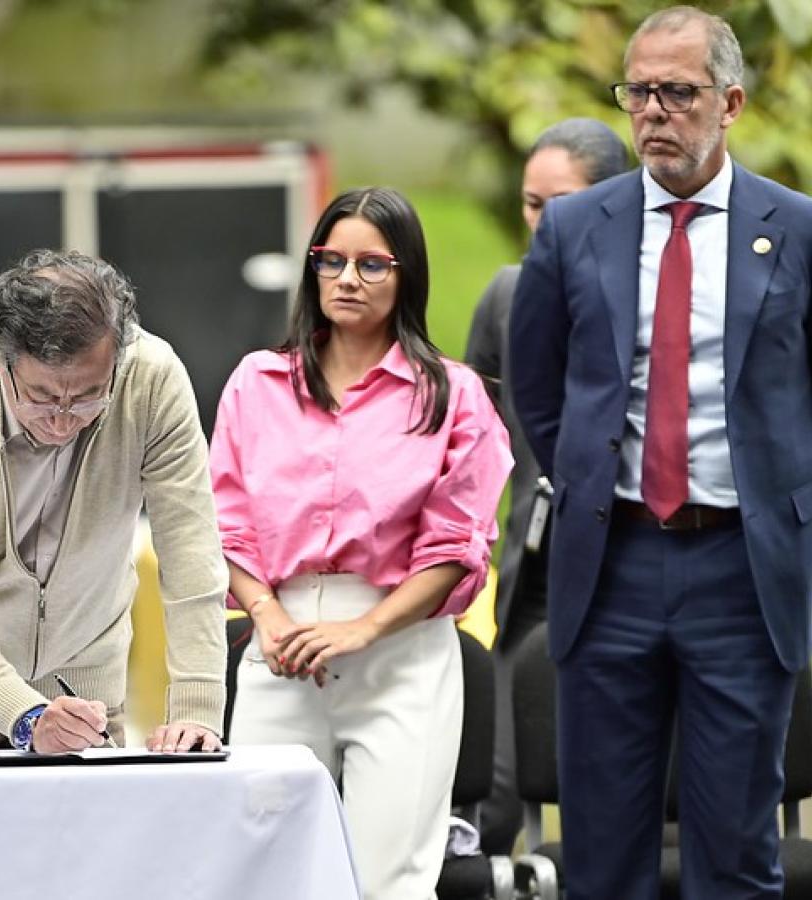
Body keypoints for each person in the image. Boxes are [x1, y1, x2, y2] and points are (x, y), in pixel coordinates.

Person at [510, 7, 812, 898]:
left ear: (731, 103)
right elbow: (538, 386)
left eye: (677, 92)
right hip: (611, 565)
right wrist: (590, 486)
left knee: (736, 853)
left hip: (742, 569)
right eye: (637, 92)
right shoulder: (574, 229)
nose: (652, 112)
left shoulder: (796, 228)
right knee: (601, 855)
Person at [210, 187, 511, 899]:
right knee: (266, 874)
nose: (347, 279)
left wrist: (363, 629)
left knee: (391, 881)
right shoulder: (258, 382)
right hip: (279, 645)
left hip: (400, 649)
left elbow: (455, 546)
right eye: (331, 260)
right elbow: (223, 521)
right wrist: (266, 615)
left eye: (372, 264)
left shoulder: (453, 394)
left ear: (406, 274)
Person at [0, 247, 228, 755]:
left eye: (89, 396)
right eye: (41, 397)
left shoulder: (154, 381)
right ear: (3, 360)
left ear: (118, 358)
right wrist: (26, 716)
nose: (62, 420)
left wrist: (198, 705)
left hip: (83, 690)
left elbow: (191, 550)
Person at [464, 118, 628, 855]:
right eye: (532, 205)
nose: (543, 223)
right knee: (494, 794)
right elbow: (471, 443)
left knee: (646, 798)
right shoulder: (507, 295)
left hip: (636, 565)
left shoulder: (656, 298)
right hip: (536, 571)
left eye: (559, 205)